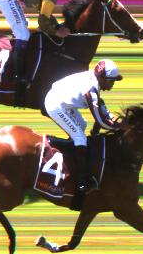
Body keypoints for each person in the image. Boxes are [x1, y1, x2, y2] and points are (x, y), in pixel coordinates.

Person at [43, 59, 120, 209]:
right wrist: (118, 127)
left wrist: (113, 121)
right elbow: (100, 120)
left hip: (63, 101)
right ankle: (83, 180)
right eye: (111, 81)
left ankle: (70, 154)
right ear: (102, 78)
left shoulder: (95, 82)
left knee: (82, 126)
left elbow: (102, 110)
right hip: (55, 104)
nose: (113, 85)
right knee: (80, 137)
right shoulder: (91, 89)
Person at [0, 0, 89, 85]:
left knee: (23, 26)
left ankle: (15, 56)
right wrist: (57, 32)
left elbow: (44, 14)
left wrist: (56, 26)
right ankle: (17, 76)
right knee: (23, 34)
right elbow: (43, 22)